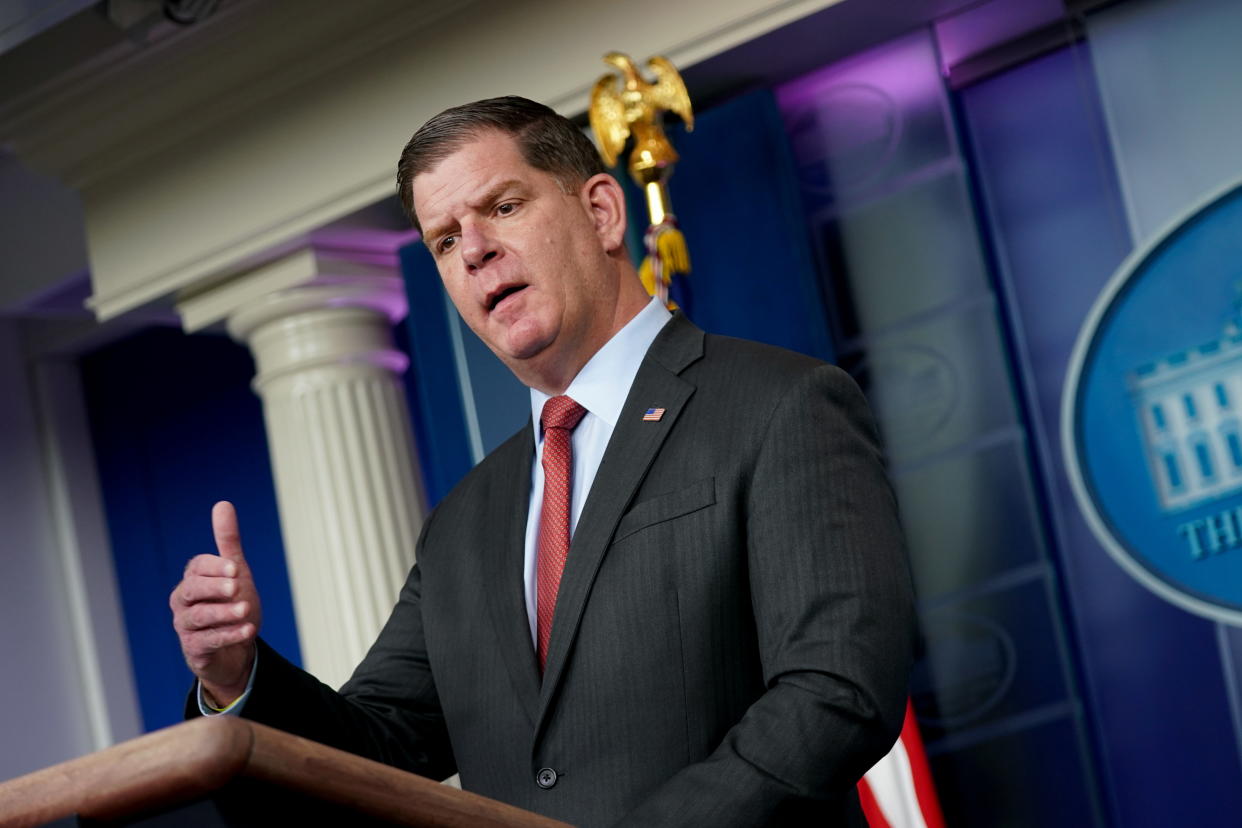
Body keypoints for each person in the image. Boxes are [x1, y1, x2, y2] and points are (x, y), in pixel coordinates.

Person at [170, 96, 915, 827]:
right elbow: (378, 747)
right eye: (442, 239)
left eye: (501, 207)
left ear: (600, 213)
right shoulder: (463, 522)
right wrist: (237, 679)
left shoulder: (779, 404)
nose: (473, 251)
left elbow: (836, 689)